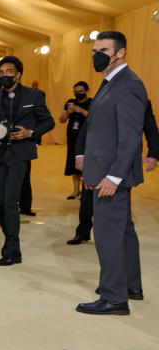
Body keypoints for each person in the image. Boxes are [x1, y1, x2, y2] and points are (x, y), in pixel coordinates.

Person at [75, 31, 149, 315]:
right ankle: (131, 285)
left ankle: (114, 298)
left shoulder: (128, 84)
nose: (97, 54)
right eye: (95, 49)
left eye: (104, 49)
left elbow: (131, 137)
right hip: (103, 170)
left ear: (121, 53)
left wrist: (114, 177)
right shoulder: (111, 82)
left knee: (107, 235)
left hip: (112, 176)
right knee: (124, 230)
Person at [0, 56, 54, 266]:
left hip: (20, 155)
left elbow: (48, 121)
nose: (5, 75)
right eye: (1, 72)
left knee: (10, 201)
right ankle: (10, 238)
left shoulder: (35, 95)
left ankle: (12, 249)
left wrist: (30, 133)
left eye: (9, 71)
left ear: (19, 74)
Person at [68, 100, 158, 246]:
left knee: (119, 199)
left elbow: (150, 127)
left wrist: (153, 153)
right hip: (97, 157)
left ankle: (115, 237)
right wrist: (79, 154)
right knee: (88, 197)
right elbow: (87, 127)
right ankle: (83, 231)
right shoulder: (102, 97)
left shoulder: (141, 100)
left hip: (125, 158)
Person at [61, 81, 91, 199]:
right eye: (76, 92)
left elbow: (95, 117)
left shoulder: (91, 102)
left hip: (87, 138)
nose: (78, 94)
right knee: (73, 163)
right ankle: (75, 190)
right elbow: (62, 119)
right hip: (72, 137)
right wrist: (68, 111)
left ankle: (85, 191)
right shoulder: (70, 102)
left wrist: (81, 110)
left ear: (86, 91)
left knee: (85, 163)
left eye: (81, 91)